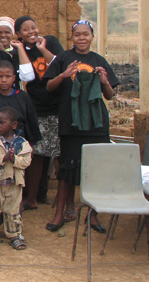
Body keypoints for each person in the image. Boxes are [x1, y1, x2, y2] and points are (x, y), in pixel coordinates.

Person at [43, 20, 119, 233]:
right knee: (67, 169)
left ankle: (93, 215)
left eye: (86, 34)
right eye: (77, 34)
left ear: (92, 36)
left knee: (97, 171)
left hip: (96, 124)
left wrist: (104, 81)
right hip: (71, 123)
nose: (82, 38)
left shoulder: (98, 60)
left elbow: (110, 96)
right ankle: (59, 215)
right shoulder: (63, 59)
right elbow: (49, 86)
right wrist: (63, 75)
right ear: (72, 37)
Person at [12, 15, 65, 210]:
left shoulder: (50, 41)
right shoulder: (18, 51)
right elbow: (28, 76)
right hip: (37, 107)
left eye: (33, 27)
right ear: (18, 34)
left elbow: (61, 65)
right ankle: (32, 197)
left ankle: (62, 198)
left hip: (58, 105)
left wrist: (42, 49)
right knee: (38, 155)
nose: (31, 32)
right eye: (25, 30)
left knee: (60, 153)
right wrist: (20, 48)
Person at [0, 106, 32, 250]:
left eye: (2, 122)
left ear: (13, 125)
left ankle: (14, 235)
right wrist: (2, 158)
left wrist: (14, 159)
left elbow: (27, 161)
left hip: (14, 183)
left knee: (13, 210)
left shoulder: (22, 143)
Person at [0, 60, 41, 148]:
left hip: (19, 147)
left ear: (14, 78)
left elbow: (31, 123)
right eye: (0, 76)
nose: (4, 80)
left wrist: (31, 145)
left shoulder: (23, 97)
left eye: (8, 76)